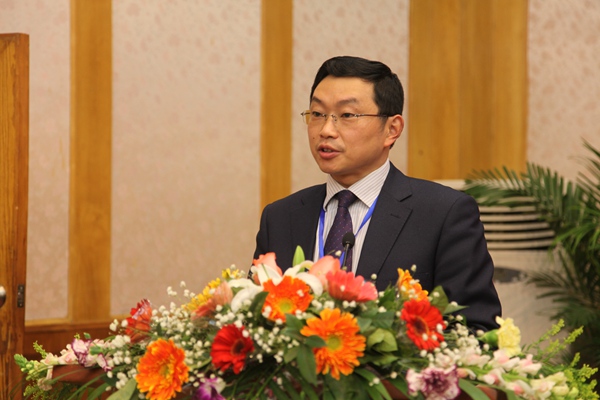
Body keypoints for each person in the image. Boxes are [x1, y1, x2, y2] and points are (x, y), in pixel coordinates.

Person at [253, 56, 501, 331]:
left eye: (347, 115)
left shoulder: (443, 214)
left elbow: (476, 328)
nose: (326, 130)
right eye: (318, 114)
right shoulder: (281, 217)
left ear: (392, 129)